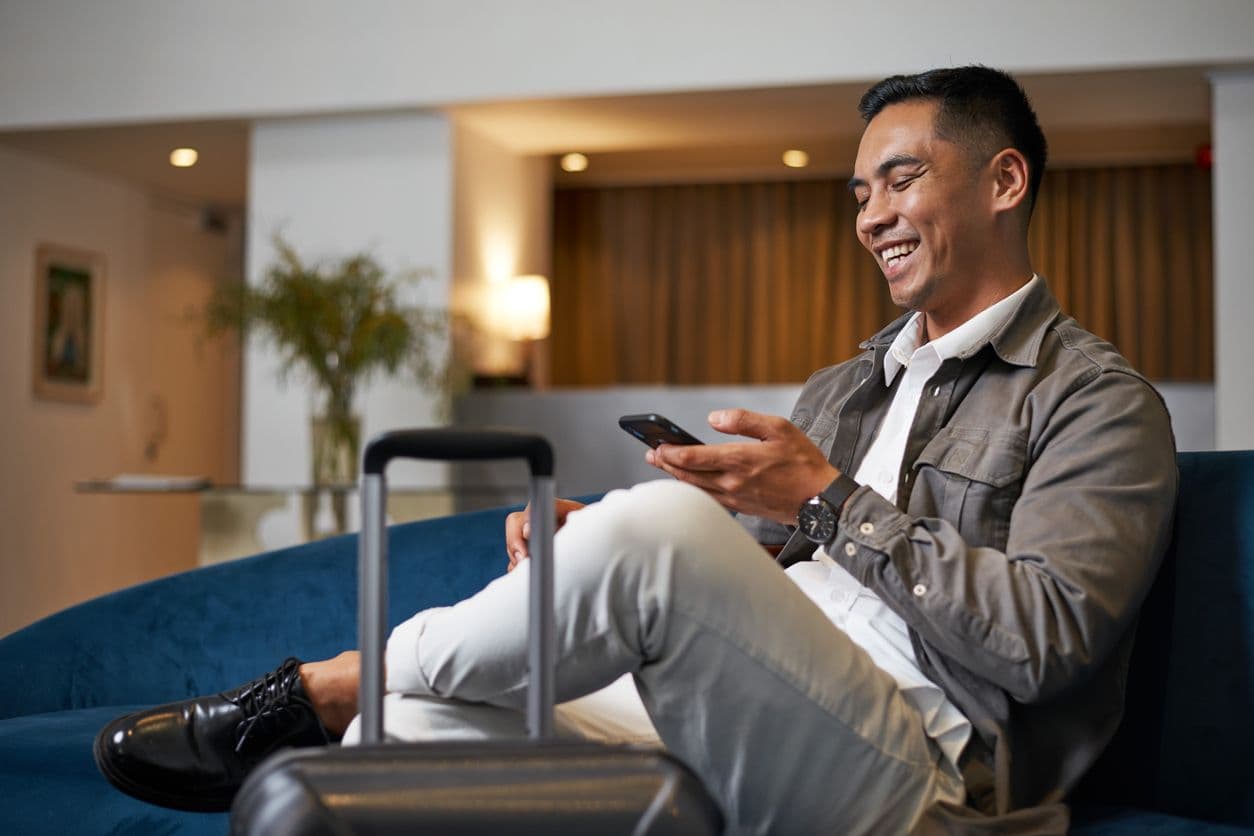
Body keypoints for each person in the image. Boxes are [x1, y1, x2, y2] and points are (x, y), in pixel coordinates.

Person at [94, 66, 1178, 833]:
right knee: (413, 720)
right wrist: (613, 553)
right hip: (751, 716)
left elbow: (1046, 642)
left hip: (921, 772)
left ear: (1003, 181)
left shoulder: (1096, 401)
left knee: (649, 530)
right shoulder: (850, 384)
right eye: (860, 194)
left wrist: (824, 500)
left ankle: (318, 685)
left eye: (901, 180)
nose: (870, 217)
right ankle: (366, 696)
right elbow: (790, 575)